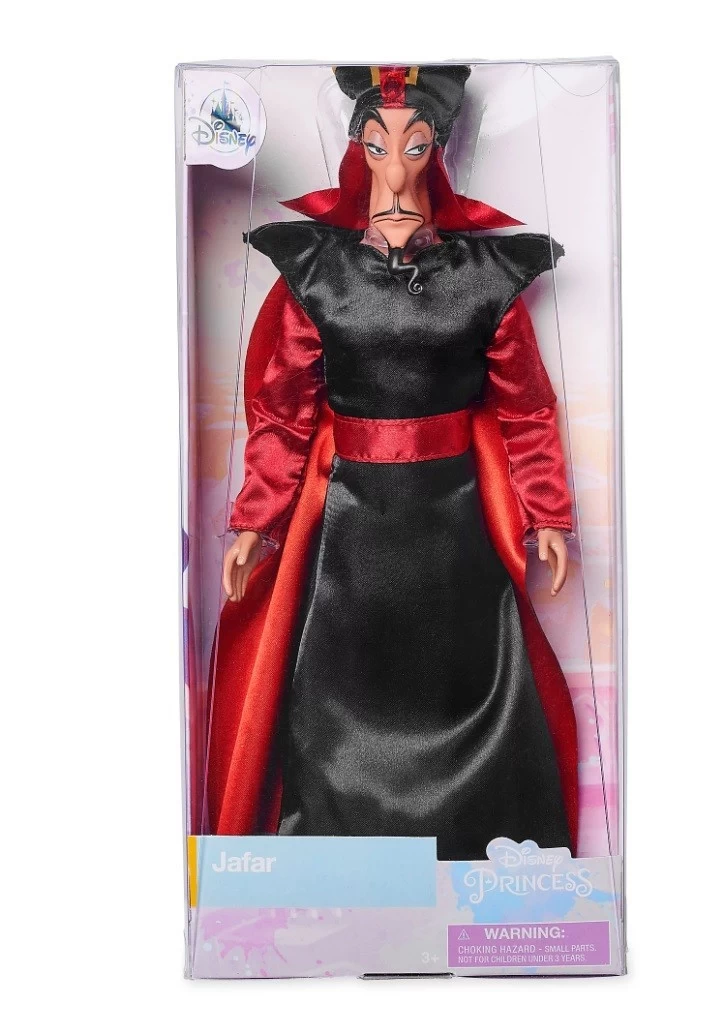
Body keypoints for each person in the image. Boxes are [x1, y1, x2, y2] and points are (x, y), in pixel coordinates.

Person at [207, 65, 579, 860]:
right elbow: (283, 411)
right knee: (337, 691)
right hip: (355, 522)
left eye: (415, 148)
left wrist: (547, 512)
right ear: (359, 153)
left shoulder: (485, 278)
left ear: (436, 152)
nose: (398, 174)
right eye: (379, 148)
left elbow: (526, 407)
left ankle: (485, 848)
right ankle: (337, 857)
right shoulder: (320, 272)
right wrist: (255, 521)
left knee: (472, 681)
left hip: (453, 524)